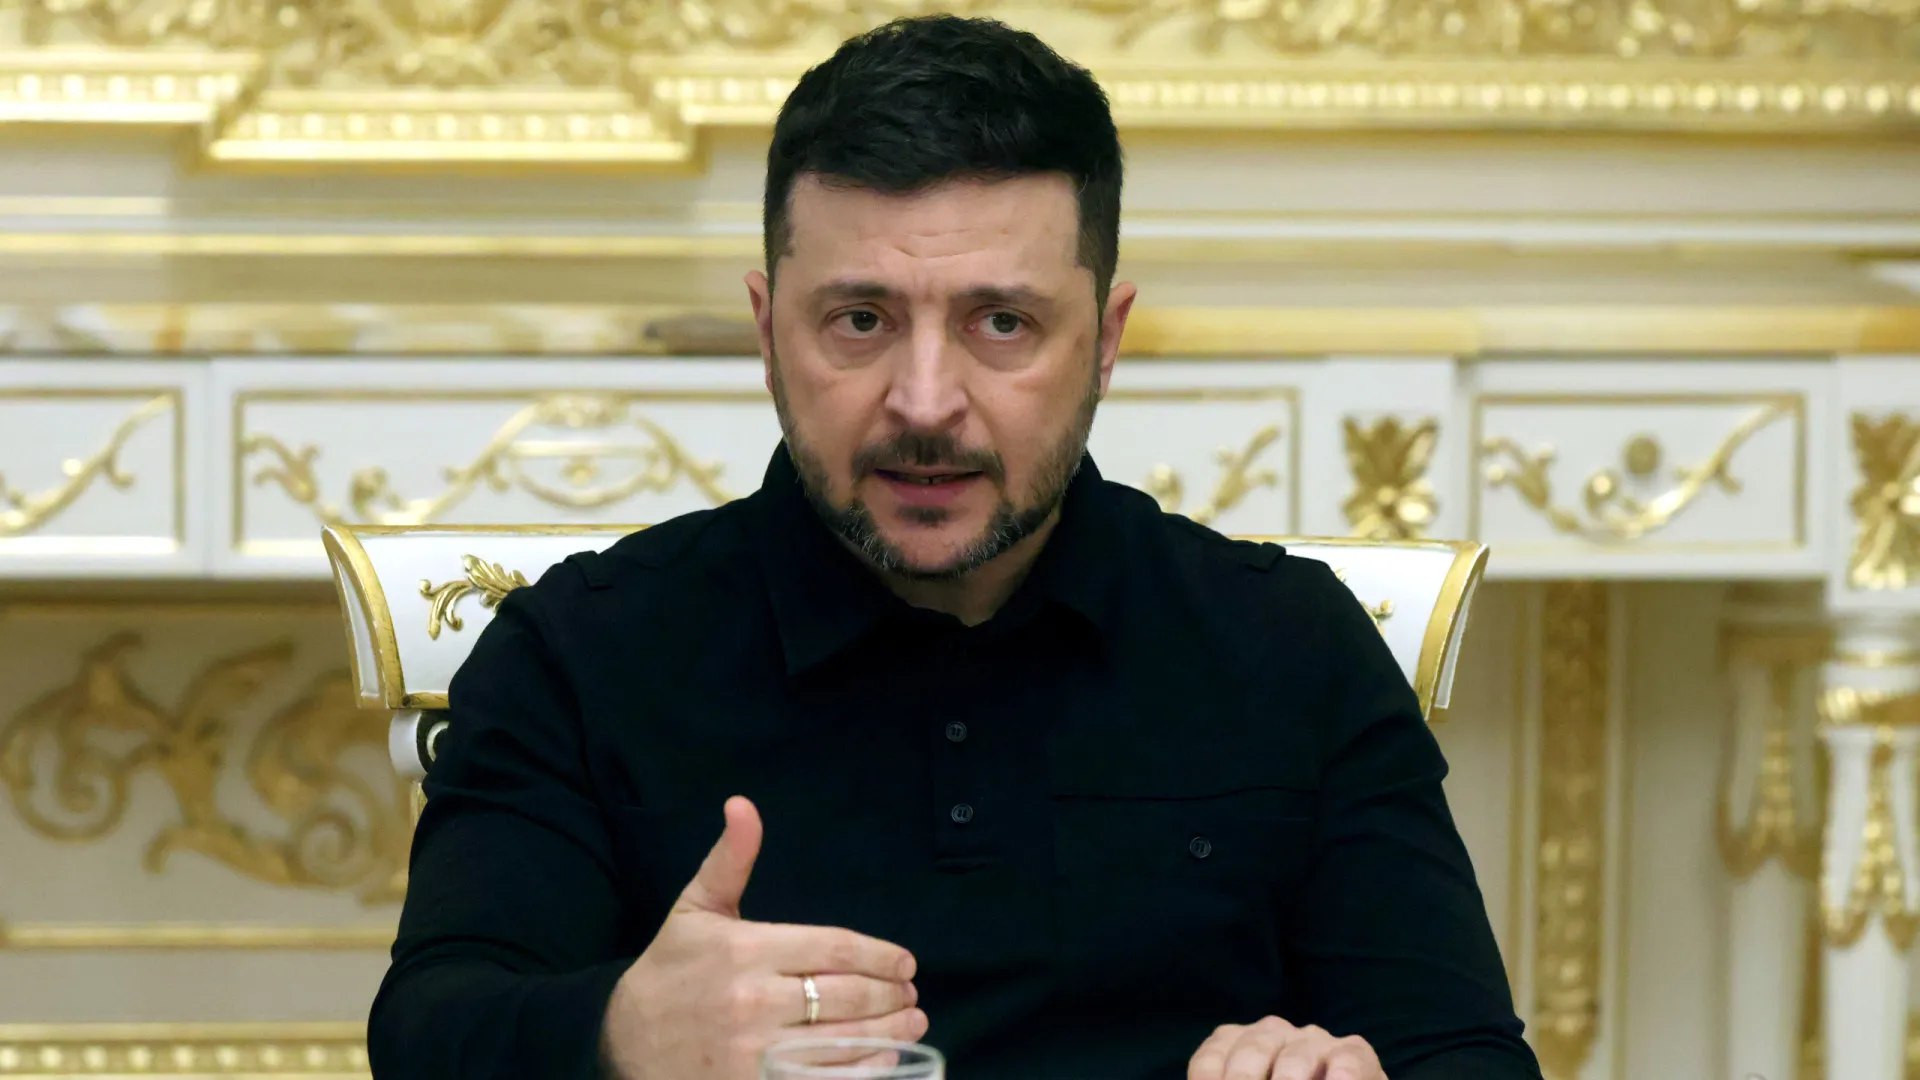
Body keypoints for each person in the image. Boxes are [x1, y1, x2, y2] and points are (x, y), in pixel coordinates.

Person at [367, 14, 1542, 1080]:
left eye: (1003, 323)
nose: (925, 402)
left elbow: (1466, 1056)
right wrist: (620, 1033)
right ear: (768, 333)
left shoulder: (1290, 644)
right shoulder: (581, 649)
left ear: (1106, 340)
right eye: (860, 320)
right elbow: (429, 1033)